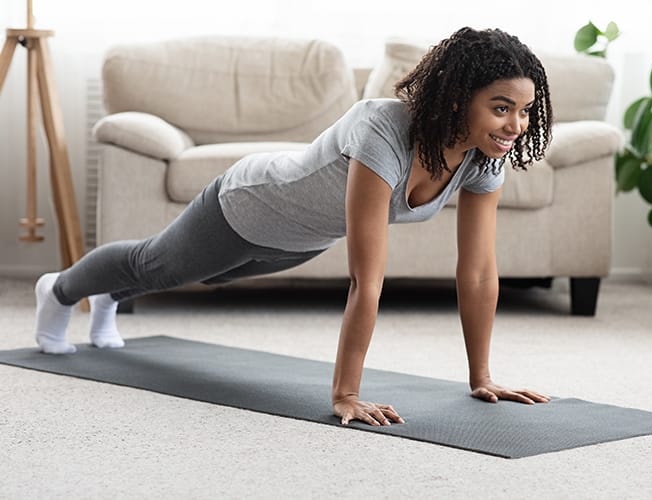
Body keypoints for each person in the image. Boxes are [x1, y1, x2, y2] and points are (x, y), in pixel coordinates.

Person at [33, 26, 554, 426]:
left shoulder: (484, 157)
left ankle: (109, 293)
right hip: (245, 207)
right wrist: (346, 394)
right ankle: (58, 291)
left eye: (525, 111)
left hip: (302, 240)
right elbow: (367, 279)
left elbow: (478, 273)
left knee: (209, 276)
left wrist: (482, 377)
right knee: (156, 265)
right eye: (501, 108)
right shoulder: (385, 130)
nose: (516, 126)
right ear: (459, 99)